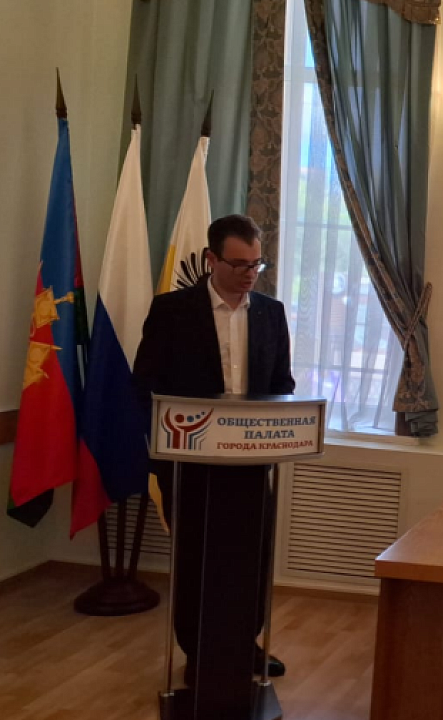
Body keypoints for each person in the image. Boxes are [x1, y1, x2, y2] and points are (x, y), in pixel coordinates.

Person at [134, 214, 295, 683]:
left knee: (251, 559)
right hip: (191, 464)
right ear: (211, 259)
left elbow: (282, 384)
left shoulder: (271, 313)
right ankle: (197, 653)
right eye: (239, 264)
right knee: (197, 561)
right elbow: (144, 384)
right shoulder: (172, 311)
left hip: (251, 465)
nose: (249, 274)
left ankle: (245, 645)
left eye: (257, 264)